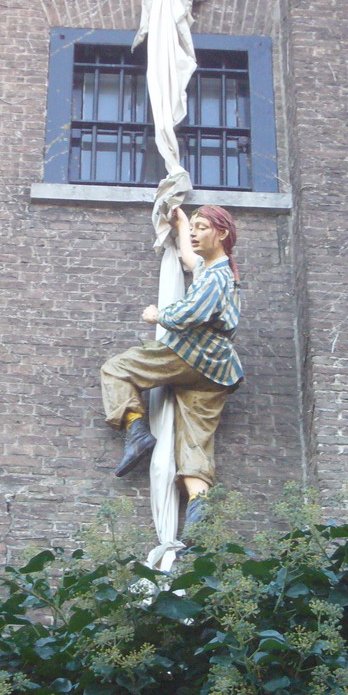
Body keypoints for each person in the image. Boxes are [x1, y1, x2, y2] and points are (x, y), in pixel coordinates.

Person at [100, 205, 243, 534]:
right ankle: (198, 511)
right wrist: (180, 223)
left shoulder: (217, 278)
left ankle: (136, 433)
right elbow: (191, 261)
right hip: (217, 374)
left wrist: (158, 315)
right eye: (193, 227)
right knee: (194, 441)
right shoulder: (215, 270)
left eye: (201, 227)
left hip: (193, 354)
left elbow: (191, 313)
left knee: (117, 369)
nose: (194, 233)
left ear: (220, 234)